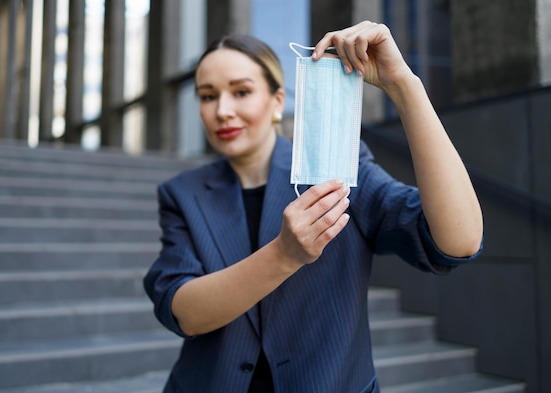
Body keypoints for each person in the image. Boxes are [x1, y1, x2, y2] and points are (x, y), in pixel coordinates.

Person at [143, 21, 483, 393]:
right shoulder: (182, 193)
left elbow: (457, 241)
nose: (223, 110)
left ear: (277, 101)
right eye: (207, 96)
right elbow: (184, 313)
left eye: (241, 91)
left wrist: (404, 86)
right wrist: (284, 254)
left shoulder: (335, 166)